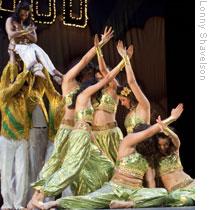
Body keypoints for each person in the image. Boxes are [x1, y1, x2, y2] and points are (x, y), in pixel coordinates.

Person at [30, 40, 129, 209]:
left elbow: (105, 80)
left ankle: (93, 197)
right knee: (59, 164)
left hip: (82, 132)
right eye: (88, 70)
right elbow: (88, 64)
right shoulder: (68, 82)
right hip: (67, 130)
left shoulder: (84, 90)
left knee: (103, 165)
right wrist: (100, 48)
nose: (88, 71)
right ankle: (36, 198)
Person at [36, 103, 184, 210]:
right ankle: (53, 204)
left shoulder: (147, 155)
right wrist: (170, 118)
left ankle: (128, 204)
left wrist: (153, 197)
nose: (145, 139)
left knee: (162, 193)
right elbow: (149, 132)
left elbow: (151, 180)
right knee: (90, 201)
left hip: (134, 192)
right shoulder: (128, 142)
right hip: (115, 187)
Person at [91, 30, 132, 163]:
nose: (100, 80)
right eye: (97, 78)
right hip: (95, 136)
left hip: (110, 134)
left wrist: (99, 49)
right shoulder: (94, 93)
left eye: (101, 78)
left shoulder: (113, 88)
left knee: (116, 168)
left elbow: (105, 72)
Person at [0, 49, 30, 209]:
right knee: (5, 172)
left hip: (22, 138)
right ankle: (7, 203)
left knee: (22, 173)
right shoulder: (4, 94)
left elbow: (24, 85)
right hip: (6, 137)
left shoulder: (22, 94)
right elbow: (11, 78)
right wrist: (13, 58)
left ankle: (19, 204)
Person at [5, 1, 62, 82]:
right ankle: (36, 69)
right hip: (16, 46)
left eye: (26, 15)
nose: (24, 17)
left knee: (39, 50)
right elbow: (11, 34)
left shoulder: (29, 23)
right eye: (22, 15)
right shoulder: (10, 20)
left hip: (29, 45)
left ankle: (53, 72)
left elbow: (34, 39)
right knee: (27, 49)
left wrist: (26, 33)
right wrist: (26, 32)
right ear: (18, 12)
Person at [155, 119, 195, 206]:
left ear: (170, 143)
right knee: (184, 201)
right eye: (159, 145)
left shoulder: (175, 151)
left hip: (190, 184)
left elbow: (176, 138)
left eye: (165, 144)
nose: (162, 148)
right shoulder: (154, 158)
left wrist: (166, 129)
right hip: (176, 193)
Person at [116, 41, 150, 134]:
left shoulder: (144, 105)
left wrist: (125, 59)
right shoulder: (129, 114)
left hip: (143, 147)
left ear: (130, 96)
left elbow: (131, 82)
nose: (121, 104)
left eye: (123, 100)